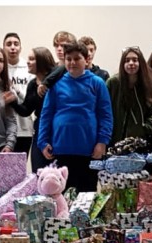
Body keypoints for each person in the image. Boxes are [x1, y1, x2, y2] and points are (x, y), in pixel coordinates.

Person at [37, 41, 112, 193]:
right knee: (62, 194)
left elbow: (106, 115)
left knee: (87, 194)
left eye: (77, 58)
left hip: (89, 149)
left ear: (86, 59)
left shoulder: (97, 83)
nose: (72, 62)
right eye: (69, 59)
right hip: (61, 148)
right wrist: (42, 141)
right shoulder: (56, 84)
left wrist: (102, 142)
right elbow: (46, 114)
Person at [11, 47, 55, 173]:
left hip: (55, 129)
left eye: (31, 59)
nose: (27, 62)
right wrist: (13, 101)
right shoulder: (32, 84)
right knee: (38, 171)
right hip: (39, 130)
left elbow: (61, 68)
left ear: (41, 61)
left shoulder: (55, 81)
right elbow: (26, 110)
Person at [107, 47, 152, 145]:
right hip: (114, 139)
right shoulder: (113, 83)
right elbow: (103, 109)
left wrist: (145, 129)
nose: (131, 63)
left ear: (140, 63)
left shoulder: (148, 84)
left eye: (135, 60)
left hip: (138, 142)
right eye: (127, 60)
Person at [3, 32, 35, 158]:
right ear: (3, 47)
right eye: (9, 44)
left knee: (19, 167)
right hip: (3, 129)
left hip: (24, 129)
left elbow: (30, 100)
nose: (12, 47)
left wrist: (16, 91)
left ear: (20, 48)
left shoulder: (28, 68)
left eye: (16, 44)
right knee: (1, 167)